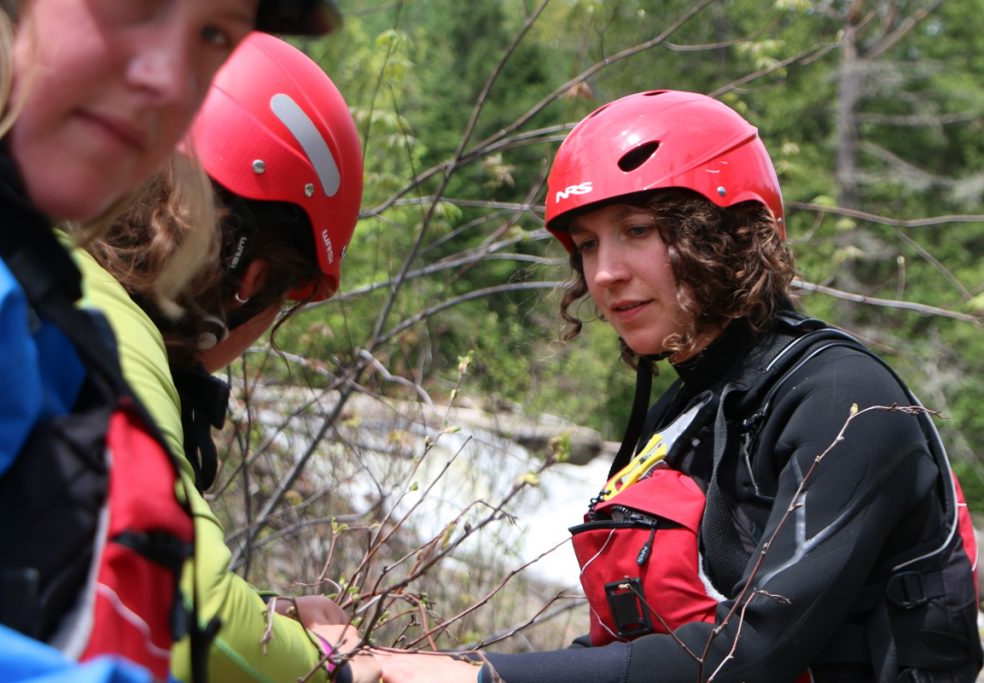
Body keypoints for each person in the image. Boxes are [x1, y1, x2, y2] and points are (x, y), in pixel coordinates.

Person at [376, 90, 983, 683]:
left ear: (724, 234)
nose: (605, 272)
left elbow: (752, 653)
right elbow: (625, 648)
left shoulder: (842, 398)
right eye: (587, 245)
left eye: (637, 230)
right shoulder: (688, 413)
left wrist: (475, 677)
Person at [0, 2, 342, 682]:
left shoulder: (31, 284)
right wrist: (336, 664)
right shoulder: (33, 307)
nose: (169, 80)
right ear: (253, 279)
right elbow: (201, 604)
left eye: (213, 35)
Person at [80, 32, 375, 683]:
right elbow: (183, 613)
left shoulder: (41, 266)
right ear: (254, 277)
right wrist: (341, 668)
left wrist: (266, 614)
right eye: (289, 295)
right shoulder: (108, 337)